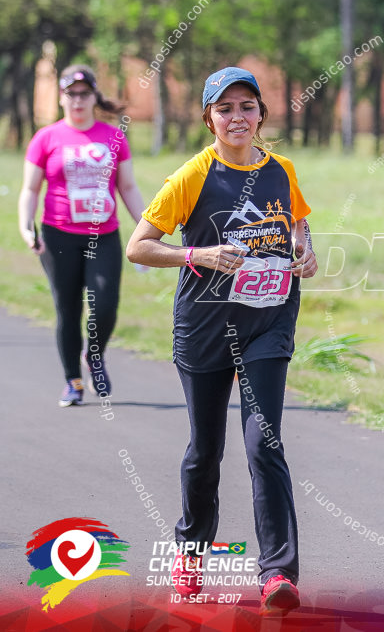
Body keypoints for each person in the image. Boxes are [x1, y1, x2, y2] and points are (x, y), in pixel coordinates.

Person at [126, 67, 317, 615]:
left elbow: (300, 223)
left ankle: (278, 573)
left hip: (268, 320)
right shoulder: (192, 176)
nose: (238, 117)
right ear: (208, 117)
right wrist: (198, 256)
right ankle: (191, 554)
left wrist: (306, 252)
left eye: (247, 107)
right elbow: (140, 246)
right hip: (206, 325)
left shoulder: (282, 170)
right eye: (225, 108)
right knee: (205, 450)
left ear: (261, 115)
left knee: (264, 443)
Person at [18, 64, 146, 406]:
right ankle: (72, 381)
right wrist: (26, 227)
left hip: (103, 235)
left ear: (94, 97)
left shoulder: (113, 136)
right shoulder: (46, 138)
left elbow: (128, 187)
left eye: (84, 94)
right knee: (68, 309)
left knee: (104, 305)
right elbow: (30, 190)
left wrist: (148, 228)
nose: (77, 100)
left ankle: (95, 356)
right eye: (70, 94)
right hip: (58, 236)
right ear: (61, 98)